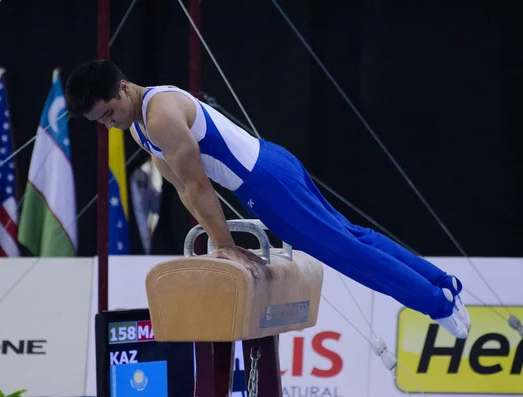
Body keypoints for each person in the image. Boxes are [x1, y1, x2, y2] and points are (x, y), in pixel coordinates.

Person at [65, 59, 470, 339]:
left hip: (265, 186)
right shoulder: (140, 128)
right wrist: (221, 243)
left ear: (123, 88)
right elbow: (182, 188)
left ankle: (436, 304)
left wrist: (225, 245)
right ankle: (442, 284)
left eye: (108, 112)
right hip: (272, 165)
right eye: (99, 122)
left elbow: (201, 186)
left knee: (348, 253)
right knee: (353, 236)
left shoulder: (161, 116)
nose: (109, 125)